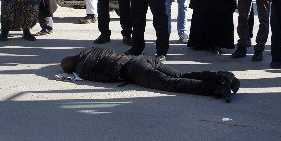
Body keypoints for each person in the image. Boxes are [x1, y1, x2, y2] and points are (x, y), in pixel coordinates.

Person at [61, 47, 239, 102]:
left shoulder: (83, 68)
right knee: (181, 75)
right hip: (142, 59)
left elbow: (106, 79)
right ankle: (221, 76)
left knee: (171, 83)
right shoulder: (89, 51)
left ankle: (216, 88)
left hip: (134, 71)